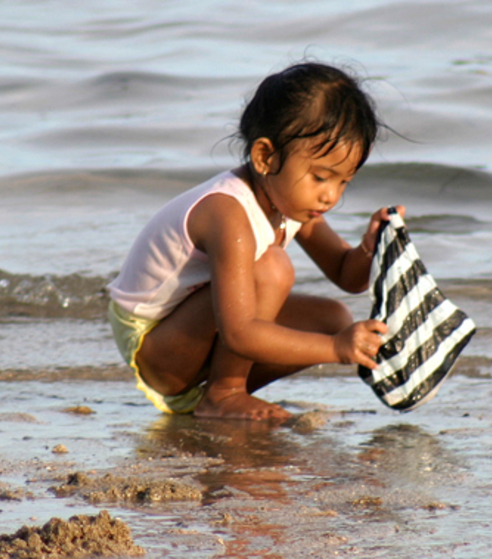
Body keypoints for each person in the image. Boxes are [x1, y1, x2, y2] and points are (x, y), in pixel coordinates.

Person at [107, 62, 403, 420]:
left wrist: (370, 246)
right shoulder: (227, 212)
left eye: (343, 182)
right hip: (156, 347)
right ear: (266, 157)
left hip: (198, 333)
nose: (330, 196)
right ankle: (224, 393)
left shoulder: (290, 202)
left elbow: (347, 276)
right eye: (321, 177)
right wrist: (337, 349)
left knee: (333, 317)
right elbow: (240, 332)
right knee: (273, 268)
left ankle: (224, 392)